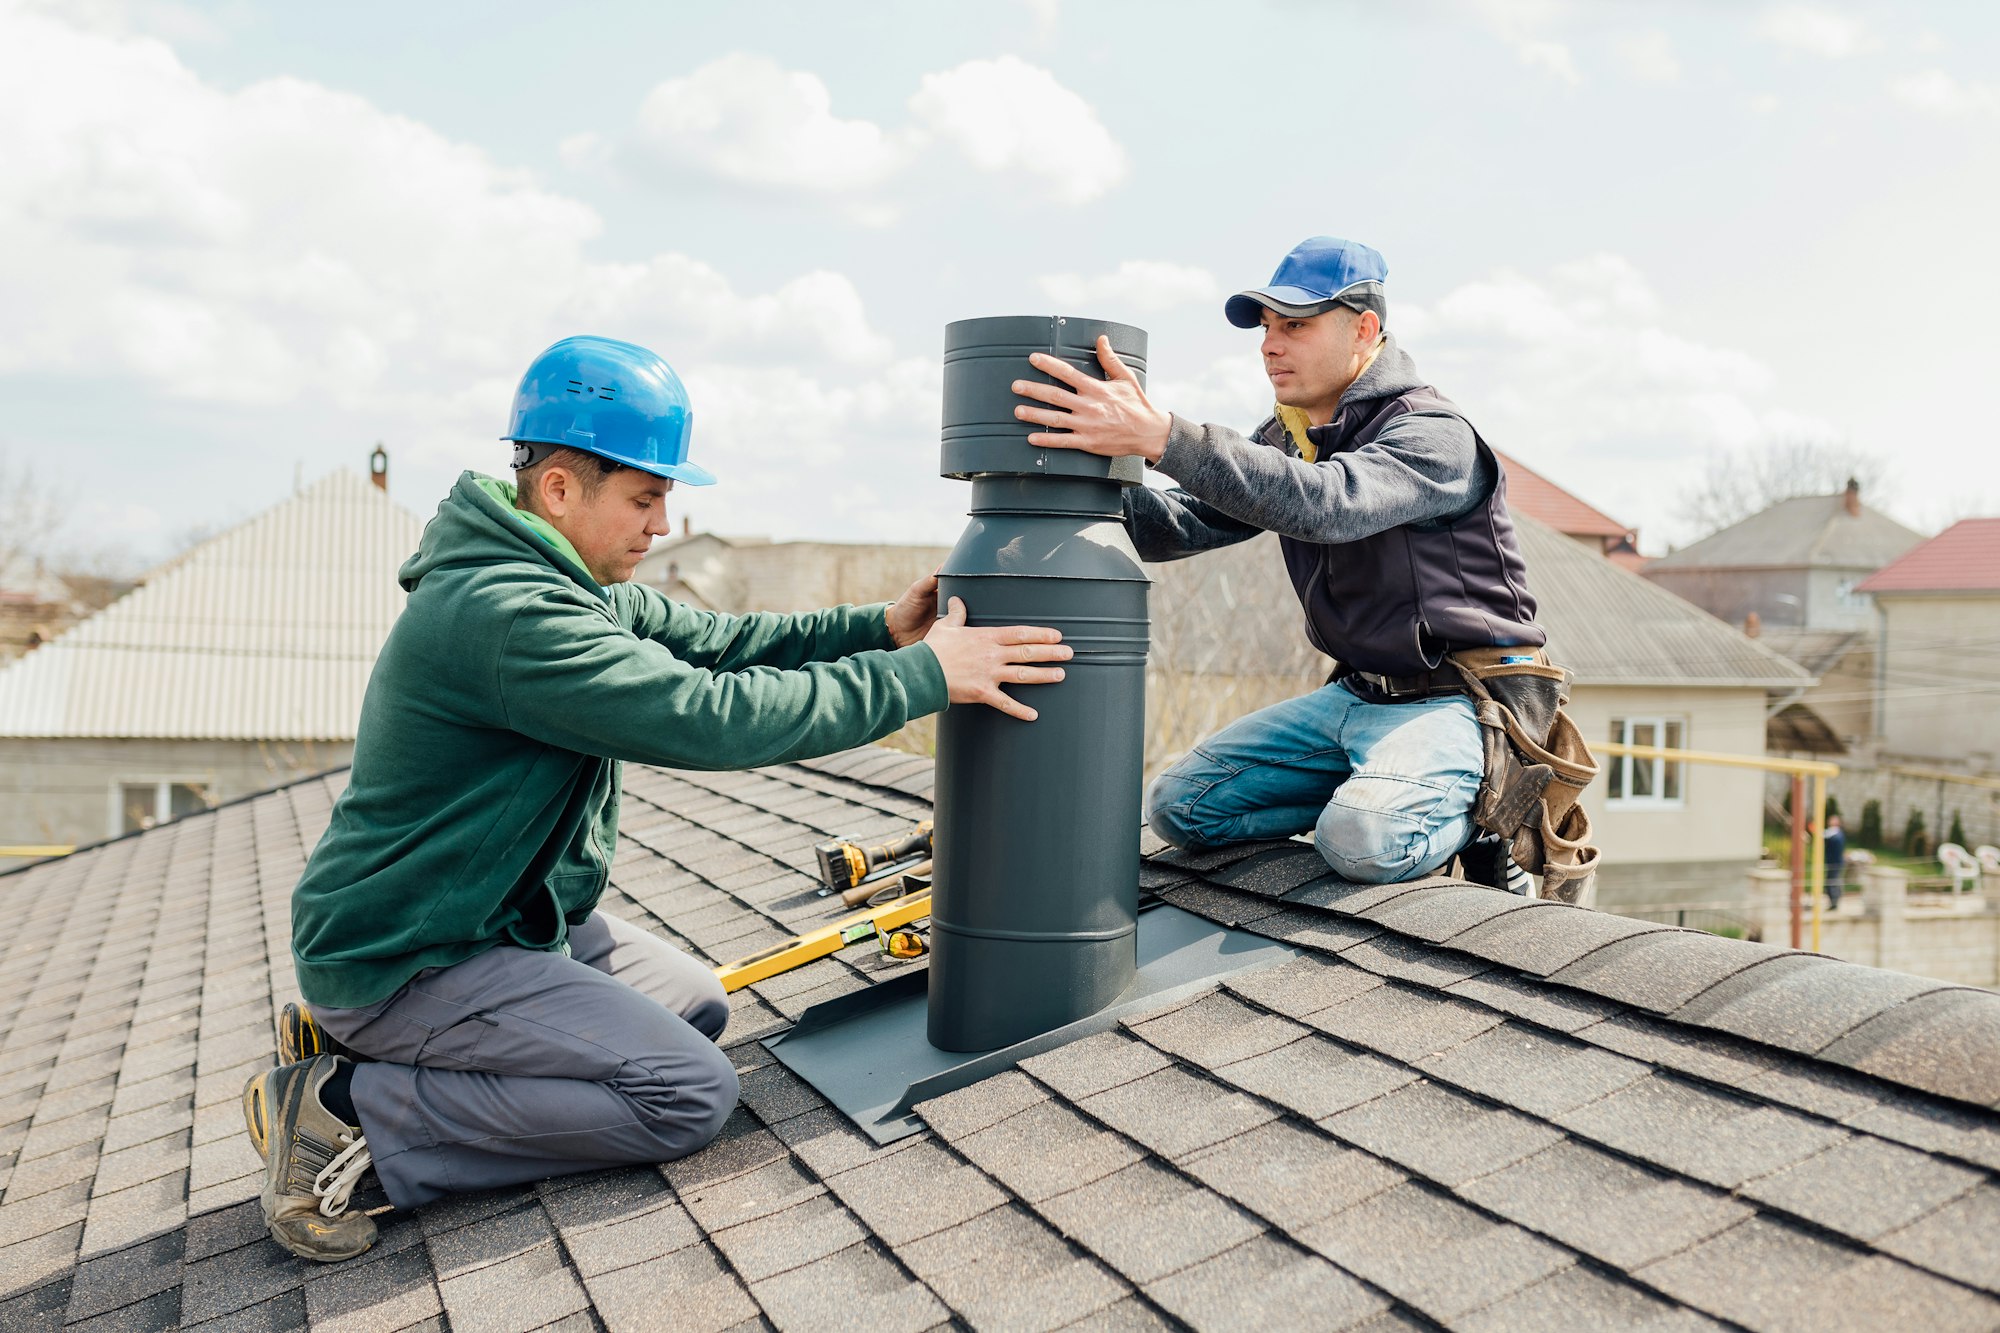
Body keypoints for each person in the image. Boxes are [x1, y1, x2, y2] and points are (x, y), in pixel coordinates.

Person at [242, 335, 1072, 1262]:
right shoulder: (515, 617)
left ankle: (373, 1050)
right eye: (645, 497)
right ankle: (354, 1114)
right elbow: (708, 716)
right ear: (561, 489)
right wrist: (922, 678)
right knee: (686, 1093)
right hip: (413, 952)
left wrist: (877, 627)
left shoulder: (562, 578)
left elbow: (713, 643)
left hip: (495, 924)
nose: (664, 522)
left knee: (698, 1005)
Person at [1011, 236, 1543, 885]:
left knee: (1365, 839)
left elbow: (1329, 503)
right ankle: (1382, 790)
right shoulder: (1288, 437)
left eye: (1295, 324)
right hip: (1358, 692)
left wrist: (1163, 436)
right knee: (1180, 809)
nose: (1270, 343)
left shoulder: (1432, 433)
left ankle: (1484, 823)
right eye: (1266, 326)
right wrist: (1056, 478)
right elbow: (1184, 521)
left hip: (1463, 700)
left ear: (1364, 329)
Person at [1824, 813, 1847, 909]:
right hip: (1834, 862)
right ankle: (1834, 901)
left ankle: (1834, 902)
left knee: (1832, 882)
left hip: (1835, 862)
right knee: (1833, 881)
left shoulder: (1834, 834)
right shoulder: (1834, 833)